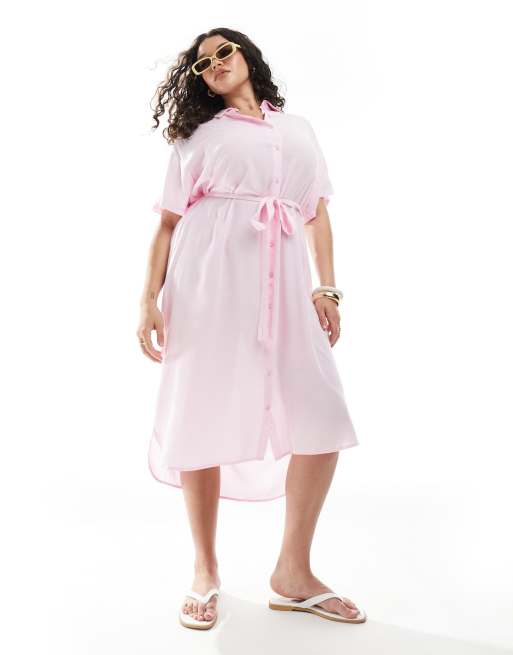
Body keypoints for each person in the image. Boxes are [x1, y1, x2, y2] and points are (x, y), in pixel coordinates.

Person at [137, 28, 365, 629]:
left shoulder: (298, 130)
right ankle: (205, 571)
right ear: (198, 79)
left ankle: (293, 572)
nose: (216, 63)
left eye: (225, 52)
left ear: (246, 57)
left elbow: (316, 212)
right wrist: (148, 300)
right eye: (202, 63)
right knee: (201, 411)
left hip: (285, 287)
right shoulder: (196, 136)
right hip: (207, 285)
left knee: (321, 414)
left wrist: (327, 287)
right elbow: (167, 224)